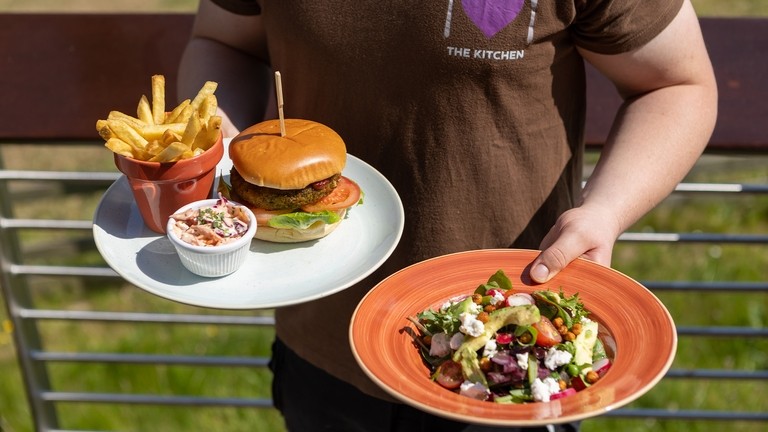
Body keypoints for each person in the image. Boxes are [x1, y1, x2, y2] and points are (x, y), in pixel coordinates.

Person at [178, 1, 717, 431]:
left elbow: (675, 84)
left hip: (514, 355)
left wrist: (605, 211)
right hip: (324, 349)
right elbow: (223, 43)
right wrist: (219, 152)